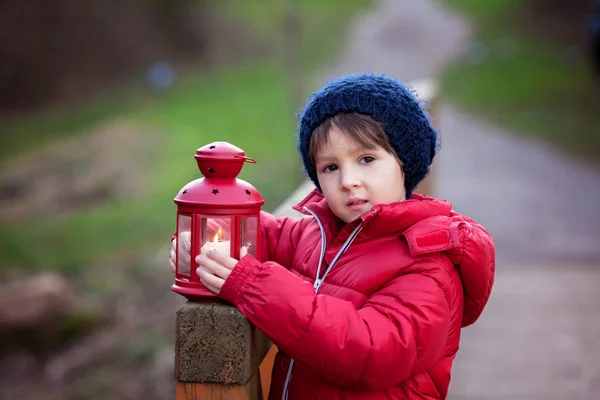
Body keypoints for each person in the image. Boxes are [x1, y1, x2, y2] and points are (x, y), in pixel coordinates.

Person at [169, 73, 495, 399]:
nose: (348, 180)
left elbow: (370, 351)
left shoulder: (428, 262)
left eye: (366, 159)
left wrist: (252, 285)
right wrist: (203, 237)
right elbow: (268, 236)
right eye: (330, 167)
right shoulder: (321, 233)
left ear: (404, 163)